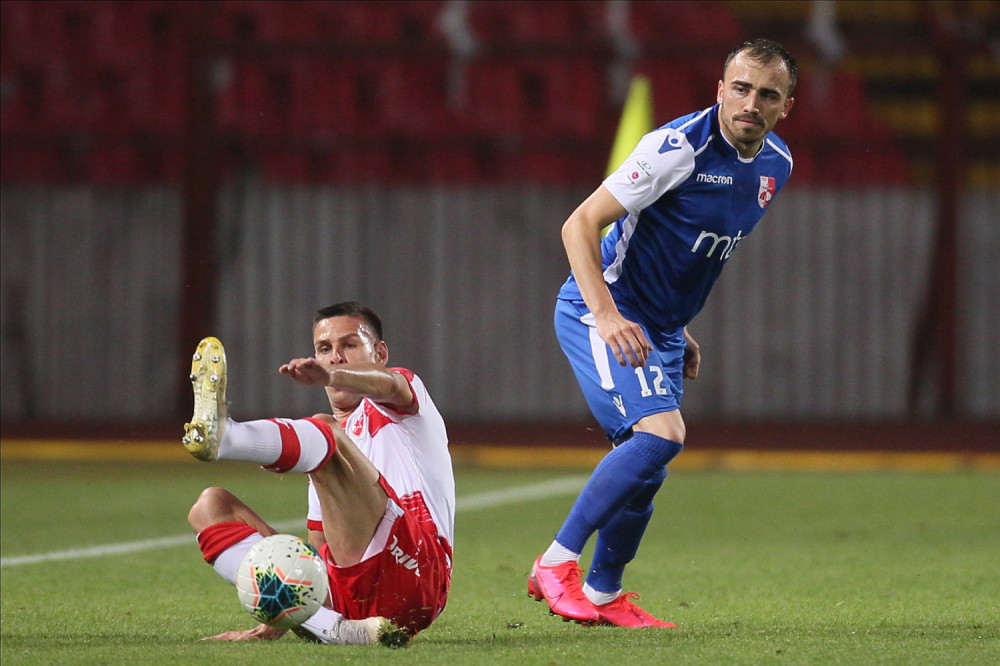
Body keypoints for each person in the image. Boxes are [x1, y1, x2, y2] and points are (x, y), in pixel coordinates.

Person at [528, 39, 797, 628]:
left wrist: (680, 324)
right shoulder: (677, 148)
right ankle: (555, 563)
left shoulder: (776, 166)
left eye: (767, 94)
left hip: (661, 327)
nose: (752, 102)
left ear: (786, 106)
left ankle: (603, 592)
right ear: (720, 89)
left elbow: (694, 254)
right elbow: (579, 224)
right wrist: (606, 315)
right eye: (742, 88)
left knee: (649, 465)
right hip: (601, 309)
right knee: (660, 434)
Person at [182, 301, 454, 646]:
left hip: (416, 577)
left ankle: (227, 437)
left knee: (326, 434)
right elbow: (319, 552)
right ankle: (337, 629)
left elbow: (388, 384)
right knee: (210, 506)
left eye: (350, 345)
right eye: (325, 349)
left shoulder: (408, 403)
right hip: (347, 599)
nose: (335, 356)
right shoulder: (321, 453)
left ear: (380, 353)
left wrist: (332, 377)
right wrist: (277, 615)